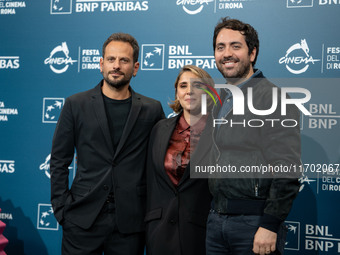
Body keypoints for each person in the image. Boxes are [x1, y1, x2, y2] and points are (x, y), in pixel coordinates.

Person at [50, 33, 164, 255]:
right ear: (101, 64)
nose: (117, 66)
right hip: (81, 219)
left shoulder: (152, 109)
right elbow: (58, 160)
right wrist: (62, 209)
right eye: (111, 59)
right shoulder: (76, 104)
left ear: (136, 67)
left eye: (124, 60)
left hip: (130, 223)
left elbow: (159, 165)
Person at [206, 18, 301, 255]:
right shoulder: (221, 99)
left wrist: (269, 224)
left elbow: (287, 169)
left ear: (252, 53)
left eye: (235, 46)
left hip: (253, 223)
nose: (227, 53)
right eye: (220, 47)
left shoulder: (272, 98)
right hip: (216, 221)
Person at [145, 65, 214, 255]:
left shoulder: (219, 131)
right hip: (158, 230)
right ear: (177, 92)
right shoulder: (159, 129)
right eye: (183, 86)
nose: (189, 91)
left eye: (197, 86)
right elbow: (150, 180)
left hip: (200, 231)